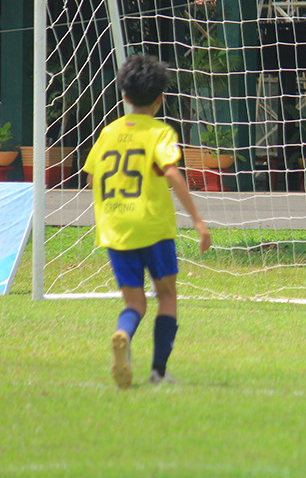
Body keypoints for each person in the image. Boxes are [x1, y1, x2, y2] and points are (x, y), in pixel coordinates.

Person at [82, 55, 212, 389]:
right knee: (166, 296)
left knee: (134, 302)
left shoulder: (108, 133)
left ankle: (123, 333)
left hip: (115, 229)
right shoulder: (159, 132)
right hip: (153, 227)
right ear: (160, 98)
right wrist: (198, 221)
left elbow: (92, 177)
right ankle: (158, 371)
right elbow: (171, 172)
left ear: (124, 96)